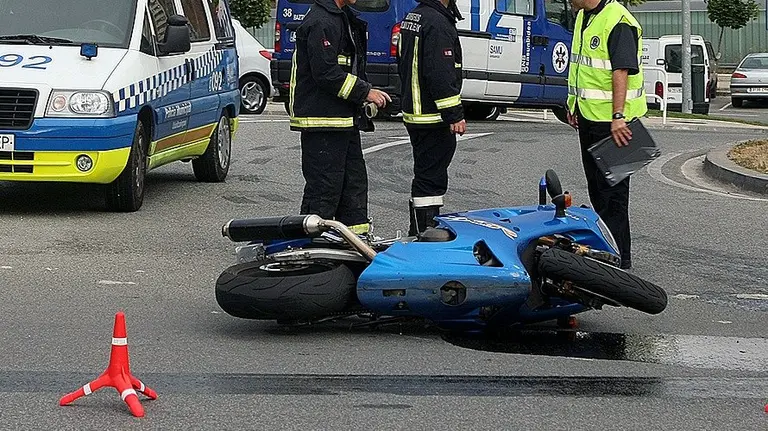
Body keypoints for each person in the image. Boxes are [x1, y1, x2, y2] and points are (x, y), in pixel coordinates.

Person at [289, 0, 391, 236]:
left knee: (353, 187)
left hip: (343, 120)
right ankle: (311, 245)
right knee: (324, 191)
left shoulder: (340, 17)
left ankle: (355, 240)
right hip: (322, 122)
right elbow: (325, 72)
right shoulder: (321, 21)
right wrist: (365, 92)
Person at [566, 0, 646, 270]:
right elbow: (581, 68)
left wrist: (618, 116)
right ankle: (606, 254)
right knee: (598, 191)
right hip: (589, 117)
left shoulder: (618, 21)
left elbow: (621, 70)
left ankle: (619, 260)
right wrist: (573, 105)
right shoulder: (583, 16)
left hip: (615, 123)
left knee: (613, 196)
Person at [397, 0, 466, 237]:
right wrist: (454, 115)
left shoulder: (414, 16)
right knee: (431, 180)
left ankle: (419, 230)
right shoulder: (437, 23)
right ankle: (425, 233)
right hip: (432, 117)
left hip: (415, 111)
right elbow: (440, 73)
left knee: (425, 175)